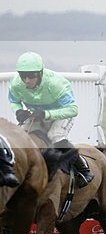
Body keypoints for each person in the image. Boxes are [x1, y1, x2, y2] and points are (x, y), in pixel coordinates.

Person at [9, 51, 95, 186]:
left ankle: (84, 169)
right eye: (23, 76)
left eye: (31, 76)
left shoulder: (55, 84)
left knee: (55, 135)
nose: (27, 81)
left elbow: (73, 110)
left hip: (62, 114)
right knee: (19, 136)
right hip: (37, 115)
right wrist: (18, 110)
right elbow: (14, 101)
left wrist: (45, 114)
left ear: (40, 73)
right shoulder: (16, 84)